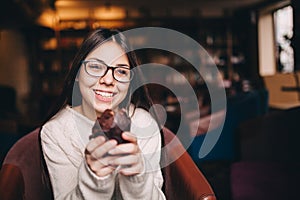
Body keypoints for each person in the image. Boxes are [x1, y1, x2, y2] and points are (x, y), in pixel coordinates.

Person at [40, 28, 166, 199]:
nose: (108, 80)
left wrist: (137, 176)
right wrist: (94, 178)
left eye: (121, 71)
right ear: (77, 73)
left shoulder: (143, 123)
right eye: (96, 67)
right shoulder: (56, 132)